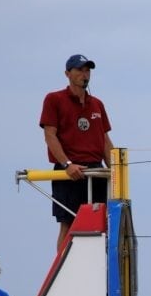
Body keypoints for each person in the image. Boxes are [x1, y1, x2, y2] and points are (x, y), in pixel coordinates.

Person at [40, 54, 114, 252]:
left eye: (87, 70)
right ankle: (62, 271)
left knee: (101, 224)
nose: (84, 74)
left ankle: (98, 269)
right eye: (80, 70)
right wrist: (67, 164)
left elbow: (104, 140)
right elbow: (50, 135)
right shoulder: (54, 99)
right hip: (69, 171)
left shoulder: (97, 104)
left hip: (96, 170)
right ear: (67, 73)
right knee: (68, 223)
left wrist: (116, 170)